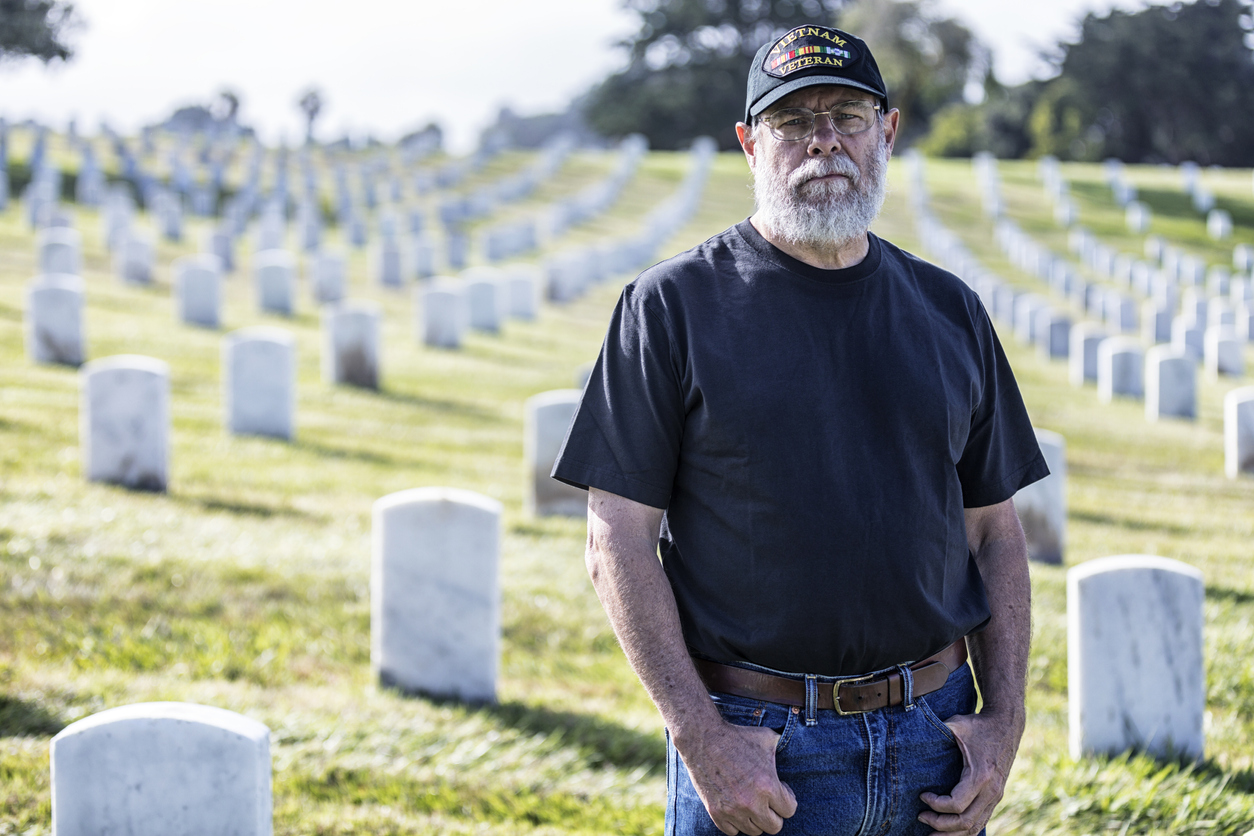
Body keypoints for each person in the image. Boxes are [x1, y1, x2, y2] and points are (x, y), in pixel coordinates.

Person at [552, 23, 1047, 836]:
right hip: (760, 754)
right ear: (750, 143)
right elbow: (617, 543)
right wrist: (700, 737)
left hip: (937, 750)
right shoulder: (671, 308)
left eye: (847, 117)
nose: (824, 143)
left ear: (885, 131)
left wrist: (1005, 722)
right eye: (792, 122)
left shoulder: (949, 309)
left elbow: (994, 530)